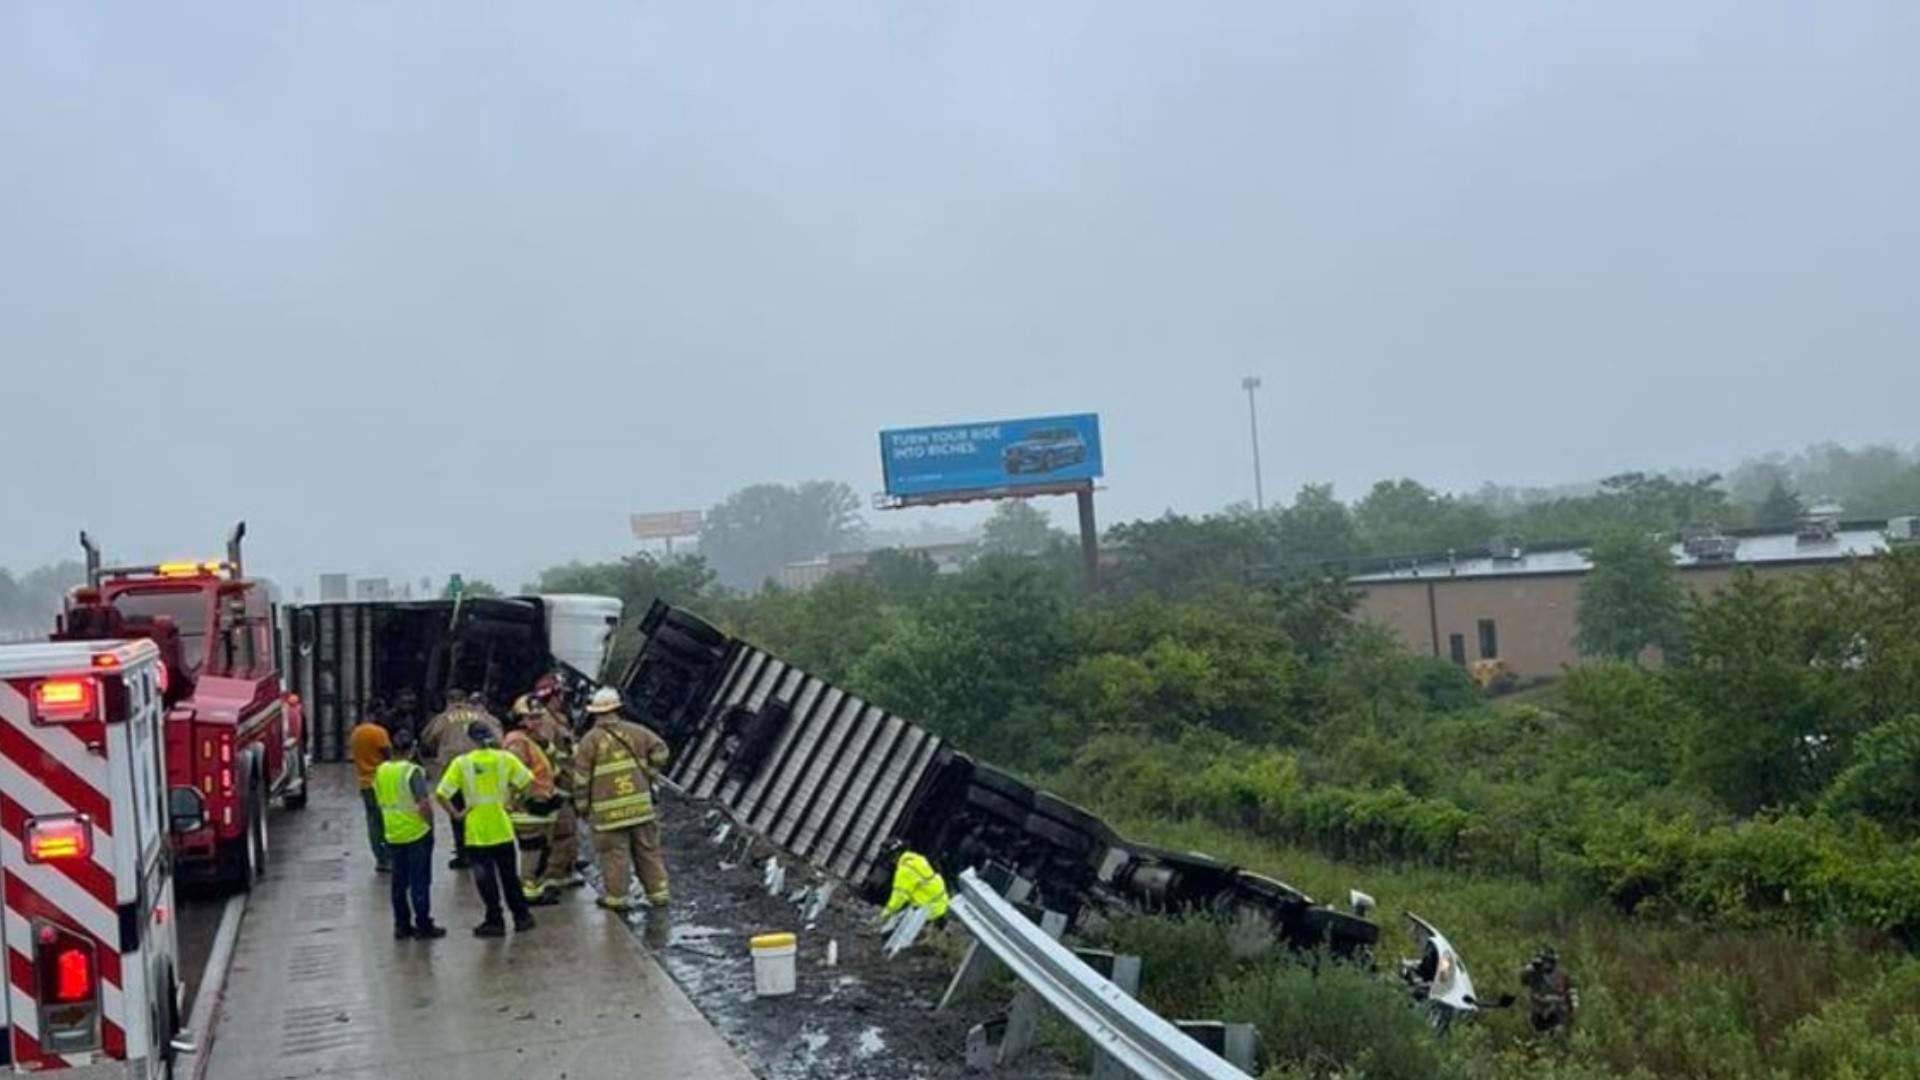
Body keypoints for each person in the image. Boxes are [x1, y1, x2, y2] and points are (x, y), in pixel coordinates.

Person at [570, 687, 672, 912]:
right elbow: (662, 751)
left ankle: (617, 899)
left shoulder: (589, 741)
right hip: (640, 808)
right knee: (648, 850)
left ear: (595, 712)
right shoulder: (638, 732)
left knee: (614, 856)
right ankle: (659, 894)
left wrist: (582, 808)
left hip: (609, 815)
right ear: (617, 709)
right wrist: (649, 773)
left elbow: (580, 779)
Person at [436, 720, 538, 937]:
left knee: (486, 879)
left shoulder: (461, 763)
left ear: (471, 739)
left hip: (476, 831)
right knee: (509, 876)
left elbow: (441, 793)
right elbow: (528, 781)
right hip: (502, 826)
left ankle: (495, 921)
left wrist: (456, 814)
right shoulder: (505, 759)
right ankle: (522, 917)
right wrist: (514, 801)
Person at [374, 729, 446, 940]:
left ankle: (401, 925)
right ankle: (423, 925)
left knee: (398, 883)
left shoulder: (381, 771)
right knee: (420, 881)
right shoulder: (412, 772)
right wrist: (431, 826)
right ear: (412, 749)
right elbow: (423, 803)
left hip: (393, 832)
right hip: (416, 832)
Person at [421, 690, 501, 870]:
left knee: (457, 813)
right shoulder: (481, 716)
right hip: (480, 769)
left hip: (453, 771)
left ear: (448, 701)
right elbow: (498, 736)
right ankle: (484, 850)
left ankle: (463, 854)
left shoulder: (442, 719)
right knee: (482, 809)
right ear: (465, 700)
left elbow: (427, 739)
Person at [523, 689, 585, 890]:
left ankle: (565, 869)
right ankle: (554, 875)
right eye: (561, 696)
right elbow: (545, 757)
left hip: (564, 784)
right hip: (558, 788)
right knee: (563, 831)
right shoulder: (547, 723)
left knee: (567, 830)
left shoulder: (555, 720)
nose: (564, 700)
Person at [503, 699, 562, 906]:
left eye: (539, 717)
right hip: (528, 808)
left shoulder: (533, 739)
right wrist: (529, 800)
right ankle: (530, 894)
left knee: (541, 851)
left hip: (541, 805)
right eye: (532, 718)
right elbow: (515, 775)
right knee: (532, 850)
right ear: (519, 719)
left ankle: (536, 889)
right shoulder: (517, 741)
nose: (537, 722)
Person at [347, 707, 393, 874]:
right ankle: (389, 857)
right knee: (385, 822)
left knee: (373, 822)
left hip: (365, 783)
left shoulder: (355, 734)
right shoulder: (379, 732)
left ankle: (380, 858)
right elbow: (388, 754)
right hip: (381, 782)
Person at [877, 839, 949, 923]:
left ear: (895, 855)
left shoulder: (905, 869)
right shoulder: (917, 859)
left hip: (928, 911)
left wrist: (885, 914)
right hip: (941, 904)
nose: (890, 862)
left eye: (889, 858)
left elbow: (899, 897)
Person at [1521, 948, 1577, 1037]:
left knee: (1558, 1033)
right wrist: (1531, 966)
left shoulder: (1562, 974)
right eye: (1546, 961)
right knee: (1540, 1034)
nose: (1548, 964)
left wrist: (1573, 1006)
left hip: (1558, 1012)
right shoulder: (1535, 974)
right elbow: (1524, 980)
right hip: (1540, 1011)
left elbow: (1571, 990)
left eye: (1550, 961)